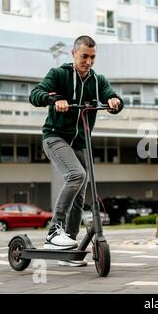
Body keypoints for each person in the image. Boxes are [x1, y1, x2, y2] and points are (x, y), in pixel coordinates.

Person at [29, 35, 123, 266]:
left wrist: (114, 102)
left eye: (92, 57)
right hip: (55, 137)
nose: (89, 62)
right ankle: (54, 232)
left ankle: (69, 245)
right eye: (84, 56)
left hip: (80, 143)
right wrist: (55, 100)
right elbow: (36, 94)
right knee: (77, 175)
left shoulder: (97, 80)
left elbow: (113, 95)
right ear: (73, 54)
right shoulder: (59, 74)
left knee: (81, 191)